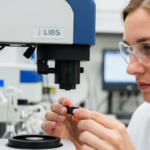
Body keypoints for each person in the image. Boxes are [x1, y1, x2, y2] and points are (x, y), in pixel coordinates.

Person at [41, 0, 150, 149]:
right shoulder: (143, 116)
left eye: (148, 49)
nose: (130, 69)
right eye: (129, 50)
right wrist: (77, 144)